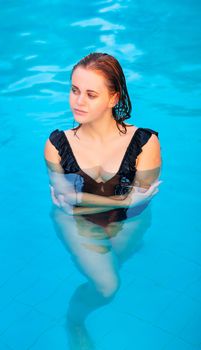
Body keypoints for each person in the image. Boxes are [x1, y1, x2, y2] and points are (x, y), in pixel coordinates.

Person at [44, 52, 162, 348]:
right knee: (107, 286)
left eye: (90, 94)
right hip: (78, 222)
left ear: (113, 98)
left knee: (115, 265)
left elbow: (139, 202)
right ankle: (75, 322)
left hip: (129, 221)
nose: (77, 102)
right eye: (74, 90)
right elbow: (69, 205)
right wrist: (121, 202)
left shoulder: (145, 143)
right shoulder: (56, 146)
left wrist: (119, 204)